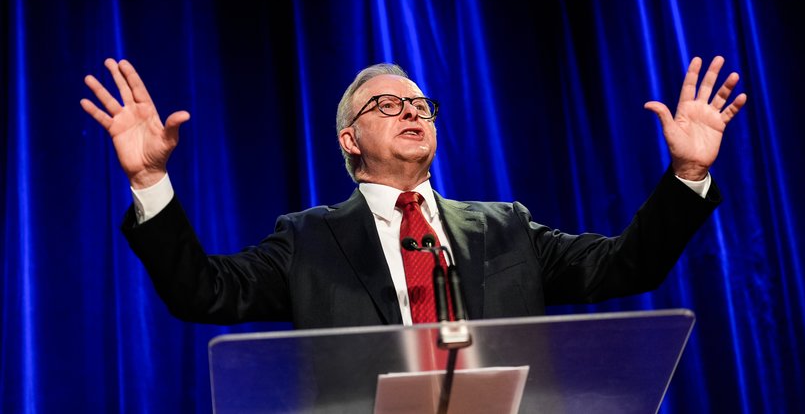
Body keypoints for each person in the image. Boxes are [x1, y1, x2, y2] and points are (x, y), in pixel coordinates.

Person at [81, 57, 747, 329]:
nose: (411, 111)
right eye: (388, 105)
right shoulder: (307, 240)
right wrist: (150, 180)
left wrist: (687, 175)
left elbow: (627, 266)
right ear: (349, 139)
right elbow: (205, 292)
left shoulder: (506, 228)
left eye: (420, 103)